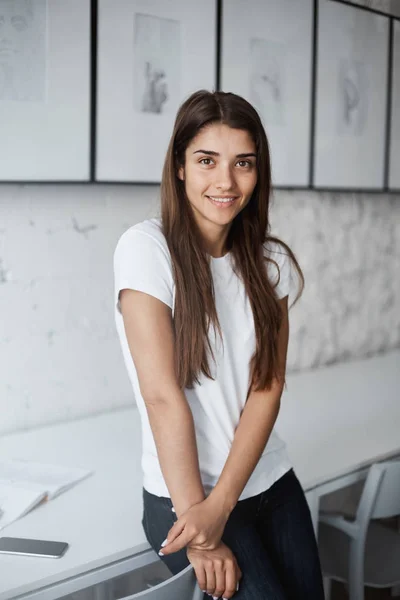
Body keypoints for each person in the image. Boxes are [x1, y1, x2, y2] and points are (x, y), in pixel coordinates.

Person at [113, 90, 325, 599]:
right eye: (207, 160)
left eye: (243, 163)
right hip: (185, 497)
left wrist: (223, 502)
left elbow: (267, 387)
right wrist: (200, 525)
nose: (226, 181)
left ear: (259, 171)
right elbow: (163, 397)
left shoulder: (270, 262)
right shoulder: (146, 249)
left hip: (267, 481)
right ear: (181, 166)